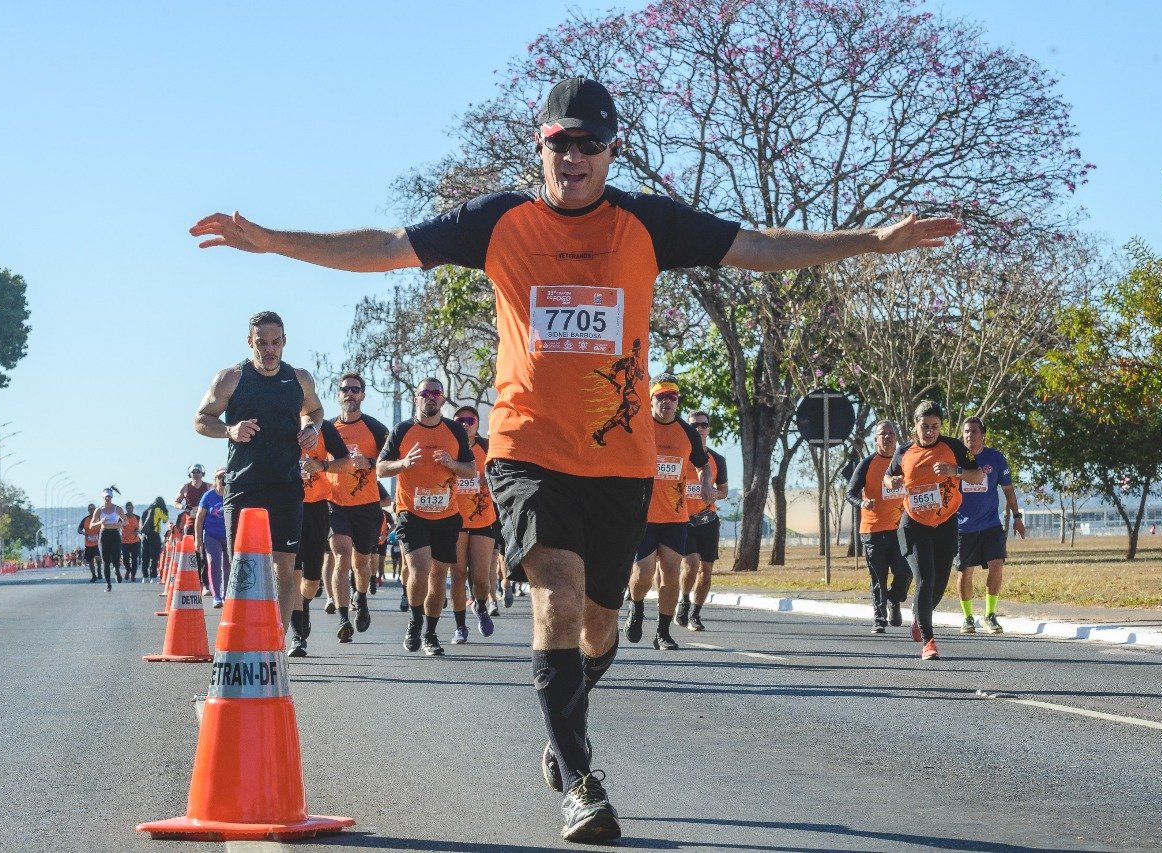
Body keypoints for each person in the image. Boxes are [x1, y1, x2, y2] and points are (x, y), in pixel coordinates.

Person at [191, 75, 960, 843]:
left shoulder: (645, 225)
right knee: (556, 594)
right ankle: (579, 775)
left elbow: (757, 246)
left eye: (591, 144)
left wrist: (872, 239)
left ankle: (565, 724)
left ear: (610, 151)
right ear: (542, 145)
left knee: (600, 628)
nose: (575, 157)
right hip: (528, 453)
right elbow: (387, 249)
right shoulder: (499, 222)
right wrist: (271, 240)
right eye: (562, 143)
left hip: (620, 467)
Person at [194, 310, 324, 634]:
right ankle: (242, 638)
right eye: (262, 343)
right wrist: (230, 430)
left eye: (275, 342)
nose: (269, 350)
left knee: (284, 567)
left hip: (286, 484)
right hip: (244, 487)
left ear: (284, 342)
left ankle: (274, 643)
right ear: (250, 341)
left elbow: (316, 410)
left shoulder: (299, 378)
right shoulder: (231, 378)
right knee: (244, 568)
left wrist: (313, 428)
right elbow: (201, 419)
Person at [375, 378, 475, 657]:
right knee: (419, 570)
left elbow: (471, 469)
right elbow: (381, 469)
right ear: (415, 399)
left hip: (446, 514)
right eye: (424, 393)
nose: (430, 397)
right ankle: (415, 622)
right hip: (411, 513)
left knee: (438, 575)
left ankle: (430, 633)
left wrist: (452, 464)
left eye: (435, 393)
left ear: (442, 399)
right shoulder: (402, 430)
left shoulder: (454, 430)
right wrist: (404, 464)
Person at [884, 402, 982, 660]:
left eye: (935, 427)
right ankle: (929, 641)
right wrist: (892, 481)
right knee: (925, 578)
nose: (929, 432)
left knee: (938, 585)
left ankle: (919, 617)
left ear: (941, 426)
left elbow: (978, 476)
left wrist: (955, 471)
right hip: (914, 523)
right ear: (915, 426)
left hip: (945, 523)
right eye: (924, 426)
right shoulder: (904, 451)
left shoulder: (954, 447)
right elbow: (888, 477)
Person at [625, 376, 710, 651]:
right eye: (661, 396)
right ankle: (636, 607)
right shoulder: (639, 426)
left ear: (678, 401)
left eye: (672, 397)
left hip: (674, 517)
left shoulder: (687, 433)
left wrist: (706, 482)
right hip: (643, 516)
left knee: (671, 573)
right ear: (651, 399)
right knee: (644, 574)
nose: (666, 402)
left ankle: (662, 632)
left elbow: (703, 464)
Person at [326, 372, 390, 644]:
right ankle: (343, 619)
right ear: (338, 395)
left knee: (361, 564)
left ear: (362, 395)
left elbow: (391, 460)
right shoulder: (327, 428)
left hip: (367, 506)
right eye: (345, 389)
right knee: (342, 558)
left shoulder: (375, 428)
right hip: (335, 503)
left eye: (355, 389)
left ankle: (361, 598)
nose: (349, 393)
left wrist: (372, 461)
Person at [955, 416, 1026, 635]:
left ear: (983, 434)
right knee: (965, 571)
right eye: (966, 431)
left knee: (997, 564)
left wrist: (1016, 516)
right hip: (962, 526)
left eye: (974, 431)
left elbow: (1008, 489)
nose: (970, 435)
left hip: (990, 525)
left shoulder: (995, 458)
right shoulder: (955, 458)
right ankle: (967, 617)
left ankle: (990, 615)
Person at [290, 408, 352, 656]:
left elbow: (346, 462)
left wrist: (321, 464)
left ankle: (303, 604)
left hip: (316, 508)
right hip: (286, 504)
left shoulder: (324, 428)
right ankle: (296, 636)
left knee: (312, 580)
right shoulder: (279, 423)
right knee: (290, 570)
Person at [846, 420, 913, 633]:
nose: (887, 437)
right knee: (878, 576)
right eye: (882, 434)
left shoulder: (906, 461)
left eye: (891, 433)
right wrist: (862, 502)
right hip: (873, 530)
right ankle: (879, 618)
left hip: (901, 528)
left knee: (905, 571)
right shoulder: (867, 464)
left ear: (896, 437)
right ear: (876, 440)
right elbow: (850, 493)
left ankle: (895, 598)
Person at [676, 411, 729, 632]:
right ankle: (684, 599)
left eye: (703, 425)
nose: (699, 429)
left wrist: (711, 492)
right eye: (694, 425)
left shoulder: (717, 459)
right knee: (690, 564)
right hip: (682, 519)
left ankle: (695, 614)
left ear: (708, 429)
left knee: (706, 570)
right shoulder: (680, 456)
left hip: (707, 520)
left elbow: (724, 491)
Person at [453, 404, 498, 642]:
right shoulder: (449, 446)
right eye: (459, 420)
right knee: (458, 574)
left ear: (478, 424)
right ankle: (460, 627)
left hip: (483, 519)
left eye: (469, 420)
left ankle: (480, 606)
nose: (464, 424)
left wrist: (485, 478)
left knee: (481, 578)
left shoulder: (487, 448)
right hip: (455, 519)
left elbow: (503, 476)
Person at [195, 469, 232, 606]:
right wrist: (197, 539)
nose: (222, 479)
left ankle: (227, 594)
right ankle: (216, 596)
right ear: (215, 479)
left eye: (225, 476)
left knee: (228, 565)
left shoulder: (232, 495)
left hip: (228, 535)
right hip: (211, 535)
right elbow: (199, 518)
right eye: (219, 477)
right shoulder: (208, 496)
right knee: (214, 562)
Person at [174, 464, 213, 595]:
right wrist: (183, 507)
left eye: (198, 472)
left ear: (203, 473)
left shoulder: (208, 486)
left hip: (205, 523)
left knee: (205, 554)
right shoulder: (185, 487)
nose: (196, 474)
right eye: (193, 472)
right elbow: (175, 502)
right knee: (193, 555)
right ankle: (195, 582)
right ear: (190, 474)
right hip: (190, 523)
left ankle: (206, 585)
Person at [91, 489, 126, 591]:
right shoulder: (99, 510)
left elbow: (126, 521)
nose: (108, 499)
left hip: (115, 534)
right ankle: (108, 584)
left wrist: (119, 524)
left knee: (116, 557)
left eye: (109, 497)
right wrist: (100, 522)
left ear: (112, 497)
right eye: (106, 497)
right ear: (103, 497)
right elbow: (91, 525)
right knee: (105, 561)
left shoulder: (117, 509)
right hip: (104, 534)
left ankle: (117, 571)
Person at [139, 498, 168, 583]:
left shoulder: (147, 510)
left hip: (144, 535)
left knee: (145, 556)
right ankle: (153, 576)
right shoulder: (158, 509)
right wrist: (165, 511)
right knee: (154, 556)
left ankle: (145, 577)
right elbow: (165, 519)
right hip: (154, 535)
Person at [77, 503, 101, 582]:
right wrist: (83, 533)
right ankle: (94, 575)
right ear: (88, 510)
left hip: (97, 543)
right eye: (90, 509)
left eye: (93, 509)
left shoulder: (99, 519)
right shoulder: (85, 520)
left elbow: (104, 527)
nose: (92, 511)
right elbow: (79, 529)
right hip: (88, 544)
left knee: (98, 557)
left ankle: (99, 570)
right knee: (90, 561)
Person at [121, 501, 142, 582]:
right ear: (126, 509)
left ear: (133, 508)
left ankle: (133, 575)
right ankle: (128, 570)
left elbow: (141, 528)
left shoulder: (137, 518)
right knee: (125, 559)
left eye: (131, 508)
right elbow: (118, 526)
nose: (129, 509)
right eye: (128, 508)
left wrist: (137, 531)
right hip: (125, 542)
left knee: (134, 559)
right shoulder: (123, 517)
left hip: (135, 542)